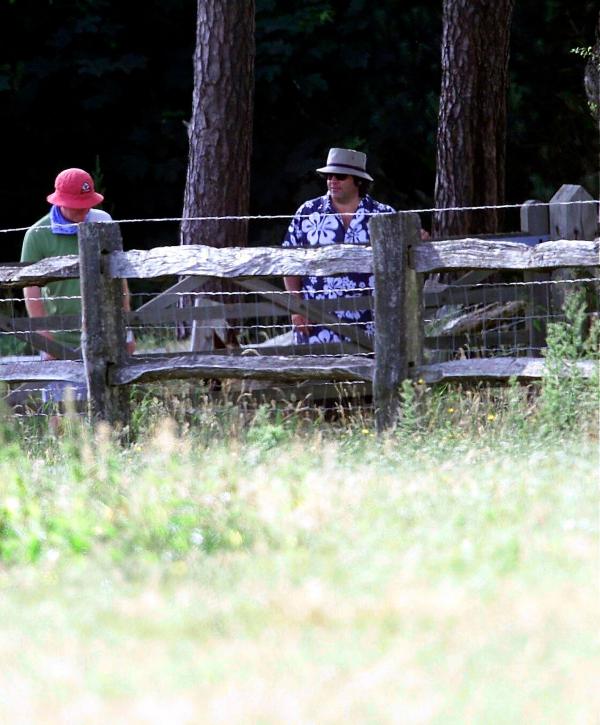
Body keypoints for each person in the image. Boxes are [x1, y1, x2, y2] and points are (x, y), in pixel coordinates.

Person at [21, 167, 135, 406]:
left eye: (86, 203)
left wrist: (126, 326)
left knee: (110, 400)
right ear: (60, 200)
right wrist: (44, 336)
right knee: (61, 407)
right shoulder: (37, 235)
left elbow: (119, 275)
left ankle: (107, 443)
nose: (83, 209)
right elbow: (30, 288)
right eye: (76, 204)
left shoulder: (103, 222)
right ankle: (63, 444)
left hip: (105, 329)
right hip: (60, 334)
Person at [282, 147, 395, 345]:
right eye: (328, 176)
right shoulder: (308, 212)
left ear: (358, 181)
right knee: (316, 375)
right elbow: (288, 262)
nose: (332, 181)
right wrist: (296, 307)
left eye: (340, 176)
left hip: (371, 321)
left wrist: (416, 238)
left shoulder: (384, 215)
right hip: (316, 320)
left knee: (369, 375)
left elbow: (404, 259)